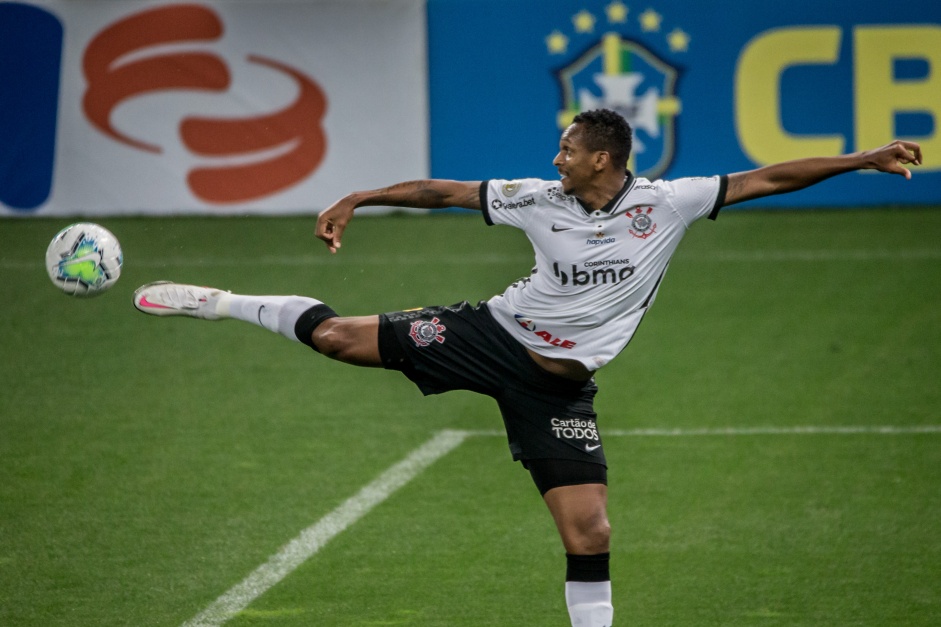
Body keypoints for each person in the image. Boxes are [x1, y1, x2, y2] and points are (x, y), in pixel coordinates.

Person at [133, 109, 922, 627]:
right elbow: (443, 191)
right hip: (492, 334)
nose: (557, 157)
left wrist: (863, 159)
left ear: (603, 158)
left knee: (590, 529)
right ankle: (219, 301)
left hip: (557, 387)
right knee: (338, 337)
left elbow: (769, 176)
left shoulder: (667, 203)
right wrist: (363, 195)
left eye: (570, 149)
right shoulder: (535, 196)